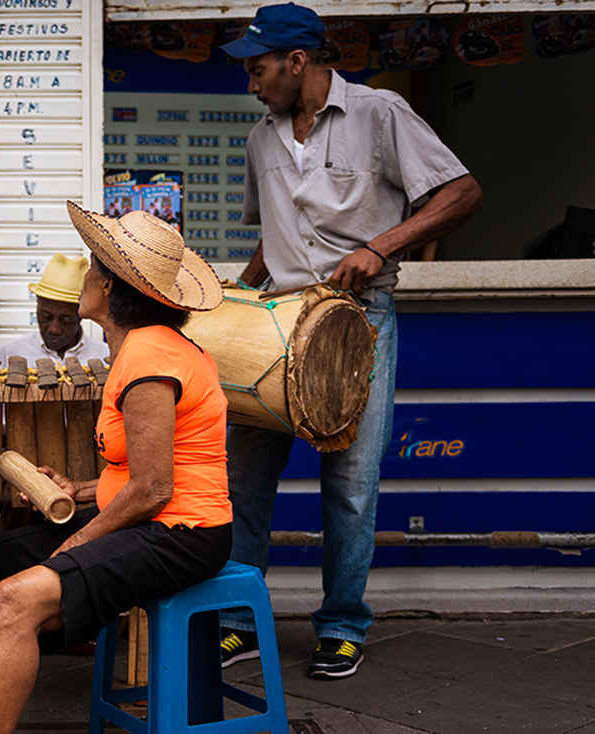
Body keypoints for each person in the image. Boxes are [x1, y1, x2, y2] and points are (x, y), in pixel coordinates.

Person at [218, 3, 482, 679]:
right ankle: (237, 620)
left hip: (357, 323)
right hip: (274, 324)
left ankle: (341, 624)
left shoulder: (380, 114)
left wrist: (381, 245)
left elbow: (461, 191)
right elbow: (271, 240)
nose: (251, 82)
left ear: (298, 61)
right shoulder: (260, 139)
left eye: (258, 67)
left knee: (351, 485)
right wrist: (236, 296)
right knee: (245, 479)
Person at [0, 202, 233, 734]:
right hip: (155, 519)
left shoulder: (149, 358)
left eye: (93, 268)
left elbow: (155, 488)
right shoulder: (141, 348)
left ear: (110, 288)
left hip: (183, 534)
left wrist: (79, 542)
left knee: (15, 599)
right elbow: (143, 471)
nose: (86, 277)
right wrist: (79, 489)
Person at [0, 253, 108, 366]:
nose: (54, 329)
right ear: (37, 306)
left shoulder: (105, 358)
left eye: (66, 320)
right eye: (46, 316)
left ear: (81, 315)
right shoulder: (7, 357)